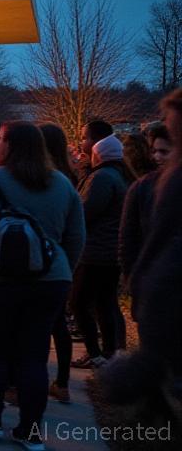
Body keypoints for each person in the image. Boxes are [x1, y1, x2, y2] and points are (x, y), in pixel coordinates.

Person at [0, 122, 85, 449]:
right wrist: (61, 268)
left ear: (10, 145)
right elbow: (76, 235)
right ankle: (31, 430)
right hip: (49, 281)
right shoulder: (61, 183)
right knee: (34, 355)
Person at [95, 89, 182, 436]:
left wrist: (146, 361)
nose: (159, 156)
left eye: (170, 142)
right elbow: (131, 243)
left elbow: (168, 259)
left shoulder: (172, 183)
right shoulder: (148, 187)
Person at [70, 125, 132, 368]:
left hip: (96, 252)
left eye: (85, 139)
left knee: (79, 302)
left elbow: (85, 211)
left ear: (98, 152)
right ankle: (110, 351)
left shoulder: (102, 178)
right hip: (107, 250)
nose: (82, 143)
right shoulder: (114, 174)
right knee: (104, 302)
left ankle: (96, 352)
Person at [37, 122, 80, 405]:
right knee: (58, 324)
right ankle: (62, 382)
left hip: (40, 258)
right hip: (61, 260)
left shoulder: (45, 179)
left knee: (38, 328)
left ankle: (33, 381)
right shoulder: (69, 178)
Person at [120, 123, 171, 287]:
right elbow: (129, 240)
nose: (157, 157)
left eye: (163, 152)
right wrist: (132, 277)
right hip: (153, 275)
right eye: (154, 151)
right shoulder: (143, 187)